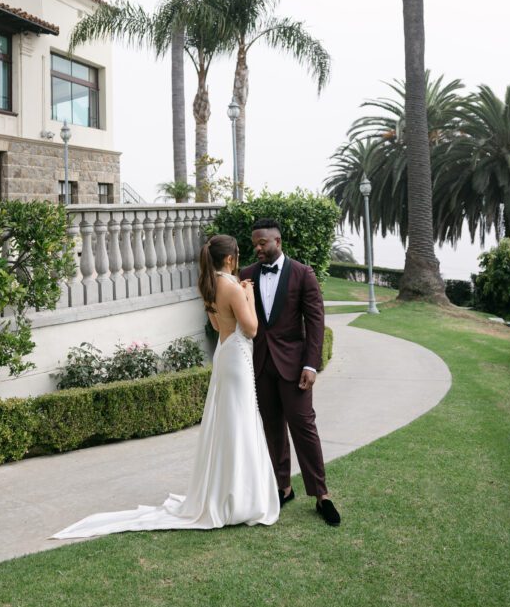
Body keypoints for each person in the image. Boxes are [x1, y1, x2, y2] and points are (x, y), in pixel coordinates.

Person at [52, 234, 279, 539]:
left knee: (228, 421)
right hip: (237, 357)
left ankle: (226, 489)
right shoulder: (232, 287)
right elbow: (251, 329)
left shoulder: (210, 285)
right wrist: (248, 295)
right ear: (229, 259)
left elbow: (215, 325)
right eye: (237, 255)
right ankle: (239, 496)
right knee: (239, 422)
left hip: (224, 354)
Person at [240, 218, 341, 526]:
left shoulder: (302, 273)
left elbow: (315, 322)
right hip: (260, 366)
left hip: (295, 367)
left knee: (303, 427)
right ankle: (283, 488)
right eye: (254, 243)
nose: (257, 248)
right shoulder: (246, 276)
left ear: (278, 242)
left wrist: (311, 364)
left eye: (262, 243)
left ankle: (321, 495)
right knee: (272, 429)